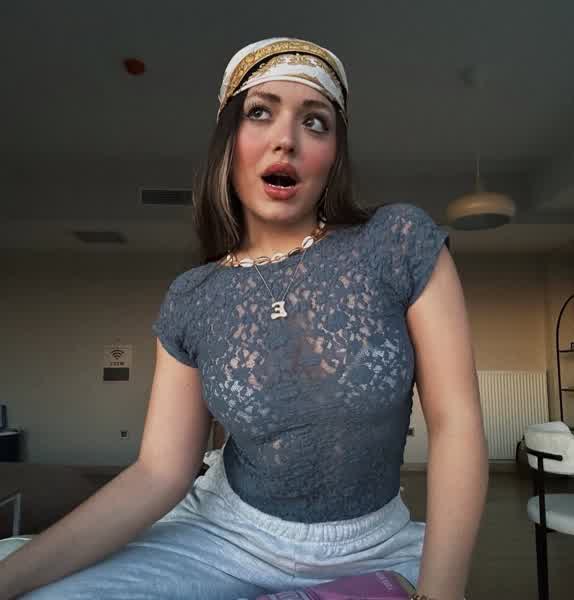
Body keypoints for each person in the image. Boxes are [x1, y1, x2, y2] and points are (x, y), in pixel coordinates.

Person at [0, 37, 488, 600]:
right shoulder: (192, 297)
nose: (287, 139)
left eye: (315, 122)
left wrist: (441, 594)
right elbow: (159, 472)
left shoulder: (397, 240)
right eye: (260, 113)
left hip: (379, 545)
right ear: (228, 140)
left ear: (334, 154)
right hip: (223, 538)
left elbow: (456, 423)